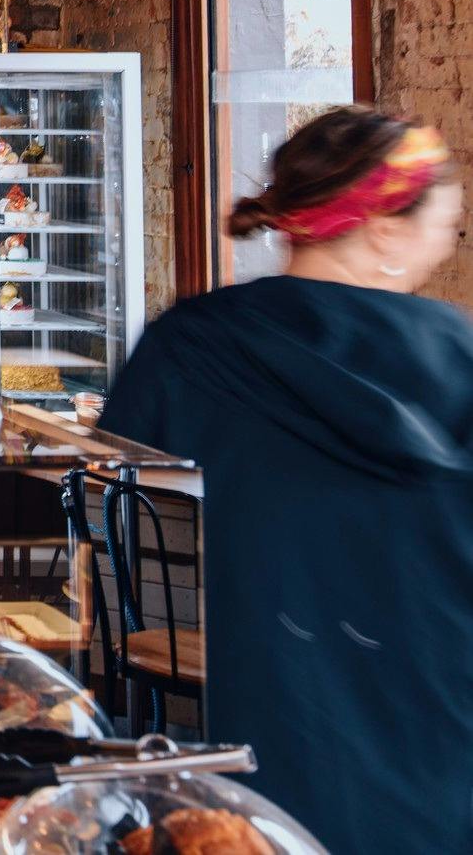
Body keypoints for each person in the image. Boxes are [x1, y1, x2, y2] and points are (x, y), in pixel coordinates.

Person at [100, 109, 472, 853]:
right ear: (384, 229)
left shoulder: (192, 344)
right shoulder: (459, 358)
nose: (446, 243)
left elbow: (126, 468)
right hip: (442, 719)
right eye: (447, 226)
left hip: (281, 713)